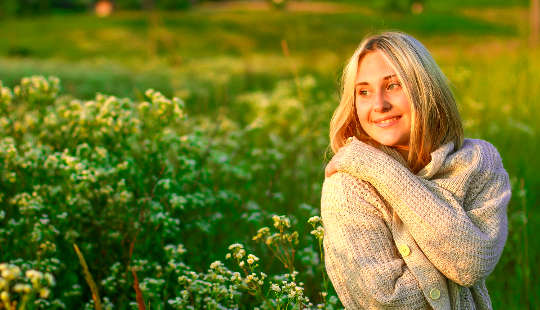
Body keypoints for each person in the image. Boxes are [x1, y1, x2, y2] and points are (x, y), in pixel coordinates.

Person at [321, 31, 511, 310]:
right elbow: (385, 300)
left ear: (425, 88)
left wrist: (381, 170)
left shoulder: (479, 162)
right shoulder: (349, 185)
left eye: (393, 85)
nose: (379, 105)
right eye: (363, 92)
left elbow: (471, 262)